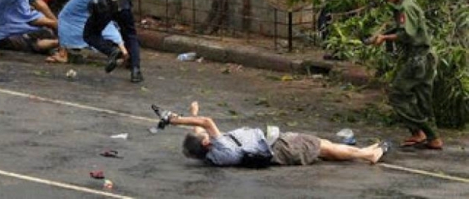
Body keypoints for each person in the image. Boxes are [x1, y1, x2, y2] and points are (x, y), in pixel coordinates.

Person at [163, 101, 387, 167]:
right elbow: (206, 123)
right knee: (322, 146)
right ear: (206, 143)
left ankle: (363, 151)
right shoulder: (221, 148)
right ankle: (367, 155)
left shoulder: (211, 154)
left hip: (276, 147)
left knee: (322, 146)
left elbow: (199, 128)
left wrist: (192, 112)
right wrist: (174, 120)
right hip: (279, 147)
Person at [371, 0, 443, 150]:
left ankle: (424, 132)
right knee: (423, 99)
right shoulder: (408, 4)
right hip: (426, 58)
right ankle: (430, 137)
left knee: (397, 94)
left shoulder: (406, 7)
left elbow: (407, 35)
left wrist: (385, 38)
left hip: (418, 59)